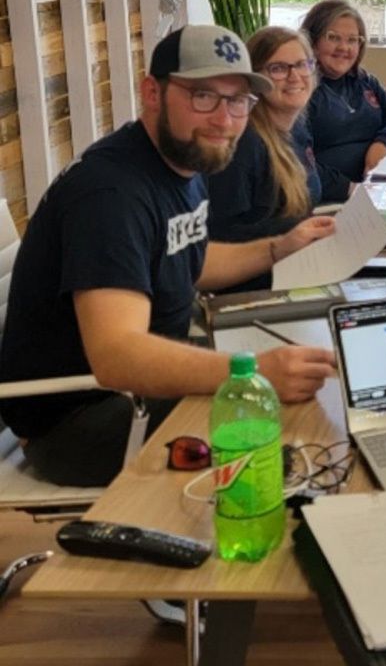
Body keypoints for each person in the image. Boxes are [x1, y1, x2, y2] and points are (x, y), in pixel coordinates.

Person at [0, 25, 339, 487]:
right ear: (151, 92)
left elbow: (190, 262)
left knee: (314, 387)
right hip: (83, 419)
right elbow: (118, 355)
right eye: (203, 96)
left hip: (140, 385)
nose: (224, 119)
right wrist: (254, 372)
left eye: (238, 100)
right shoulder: (110, 194)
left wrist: (279, 247)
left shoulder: (185, 159)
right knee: (296, 436)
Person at [206, 26, 322, 293]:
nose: (294, 77)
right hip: (253, 289)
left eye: (302, 65)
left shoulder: (298, 129)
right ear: (255, 80)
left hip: (297, 270)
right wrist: (297, 233)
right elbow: (221, 236)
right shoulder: (244, 144)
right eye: (278, 68)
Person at [301, 0, 386, 202]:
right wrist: (352, 189)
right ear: (312, 41)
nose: (344, 48)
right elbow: (298, 163)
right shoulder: (300, 90)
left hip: (373, 189)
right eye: (333, 37)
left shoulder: (362, 80)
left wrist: (381, 144)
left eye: (352, 40)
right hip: (331, 200)